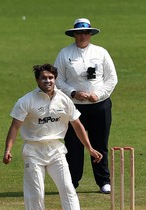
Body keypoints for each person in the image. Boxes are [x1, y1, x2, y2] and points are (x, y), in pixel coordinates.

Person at [2, 64, 103, 210]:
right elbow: (15, 126)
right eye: (43, 78)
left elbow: (77, 124)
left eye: (50, 78)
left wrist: (89, 148)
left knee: (67, 188)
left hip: (56, 149)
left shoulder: (64, 99)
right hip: (33, 150)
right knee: (36, 195)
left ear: (55, 79)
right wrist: (8, 149)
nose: (47, 81)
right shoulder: (26, 101)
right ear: (37, 80)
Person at [54, 18, 118, 194]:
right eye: (79, 33)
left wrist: (98, 94)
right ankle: (72, 182)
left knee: (100, 143)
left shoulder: (101, 52)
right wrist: (74, 93)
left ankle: (104, 181)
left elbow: (112, 78)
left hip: (100, 105)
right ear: (74, 34)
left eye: (86, 32)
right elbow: (58, 79)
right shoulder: (64, 53)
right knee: (73, 145)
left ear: (90, 34)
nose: (82, 36)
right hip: (74, 107)